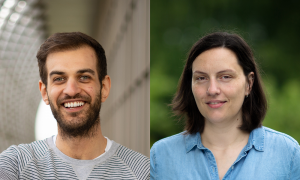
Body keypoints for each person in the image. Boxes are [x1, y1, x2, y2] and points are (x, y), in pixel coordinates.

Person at [150, 32, 300, 180]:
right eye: (201, 78)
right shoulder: (161, 156)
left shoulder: (288, 154)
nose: (212, 90)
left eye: (225, 77)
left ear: (249, 83)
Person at [0, 32, 149, 180]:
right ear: (44, 92)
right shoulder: (16, 165)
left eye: (84, 77)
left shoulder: (142, 171)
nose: (71, 90)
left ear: (104, 87)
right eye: (59, 79)